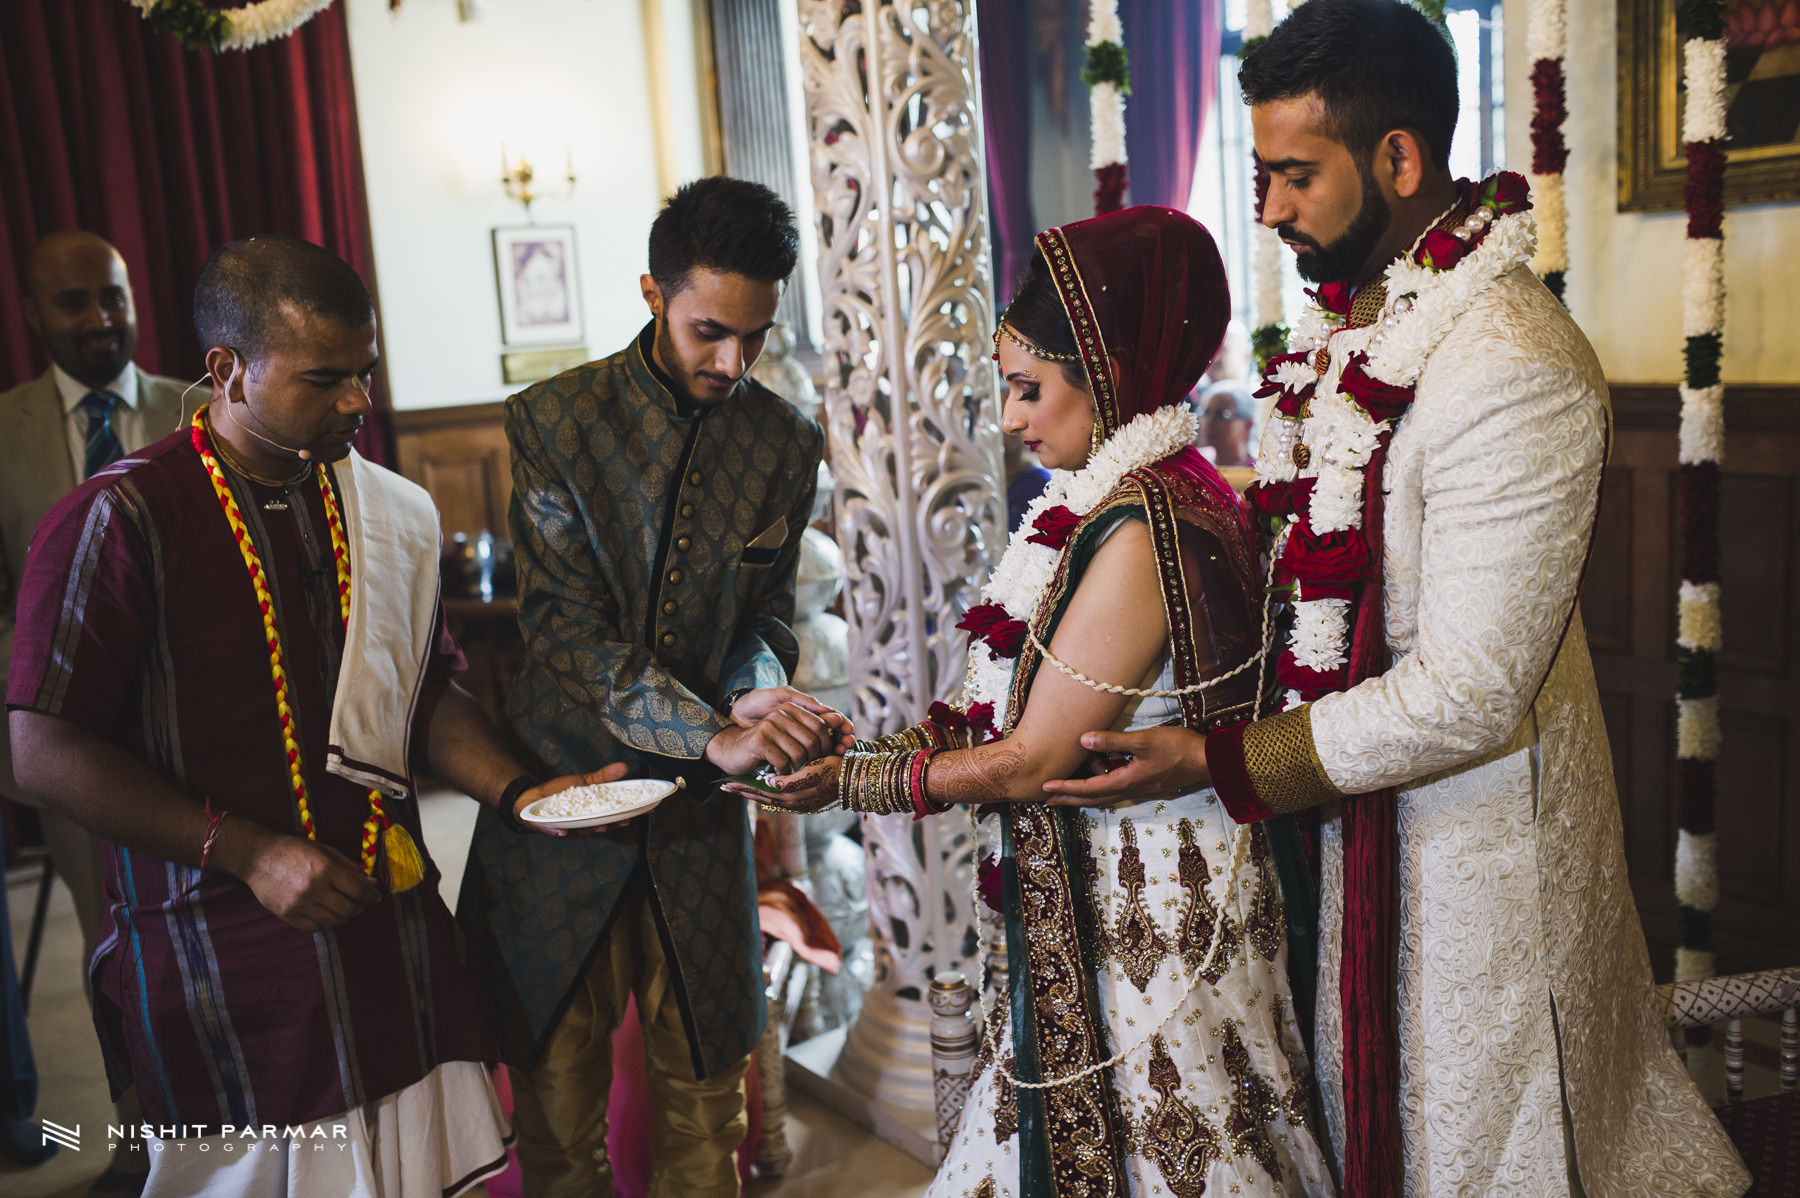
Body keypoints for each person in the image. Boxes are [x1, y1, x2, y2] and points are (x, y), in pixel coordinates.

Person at [1044, 3, 1751, 1196]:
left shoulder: (1511, 366)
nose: (1267, 207)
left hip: (1480, 872)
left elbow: (1471, 694)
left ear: (1400, 159)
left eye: (1291, 174)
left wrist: (1215, 759)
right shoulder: (1363, 325)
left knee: (1484, 1154)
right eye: (1262, 172)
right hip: (1357, 836)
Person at [5, 235, 616, 1197]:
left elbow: (424, 695)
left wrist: (525, 794)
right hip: (222, 947)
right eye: (323, 378)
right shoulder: (119, 518)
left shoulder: (390, 511)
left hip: (392, 933)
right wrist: (247, 851)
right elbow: (40, 749)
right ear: (227, 371)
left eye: (363, 372)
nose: (355, 403)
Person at [753, 207, 1334, 1198]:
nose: (1013, 419)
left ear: (1104, 375)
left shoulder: (1143, 527)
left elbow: (1032, 759)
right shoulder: (1145, 494)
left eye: (1030, 389)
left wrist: (849, 780)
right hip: (1137, 901)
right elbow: (1006, 710)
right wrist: (880, 742)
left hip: (1147, 928)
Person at [456, 176, 847, 1198]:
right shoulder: (554, 420)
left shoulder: (784, 442)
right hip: (560, 794)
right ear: (651, 290)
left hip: (697, 832)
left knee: (705, 1111)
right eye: (710, 330)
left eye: (755, 337)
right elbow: (565, 633)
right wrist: (712, 733)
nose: (733, 361)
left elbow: (764, 618)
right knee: (555, 1113)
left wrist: (757, 690)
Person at [0, 230, 197, 1192]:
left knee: (219, 932)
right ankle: (143, 1135)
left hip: (206, 730)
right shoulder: (4, 433)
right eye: (74, 302)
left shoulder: (196, 408)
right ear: (34, 314)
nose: (100, 318)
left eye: (112, 297)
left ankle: (245, 1122)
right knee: (114, 945)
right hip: (77, 753)